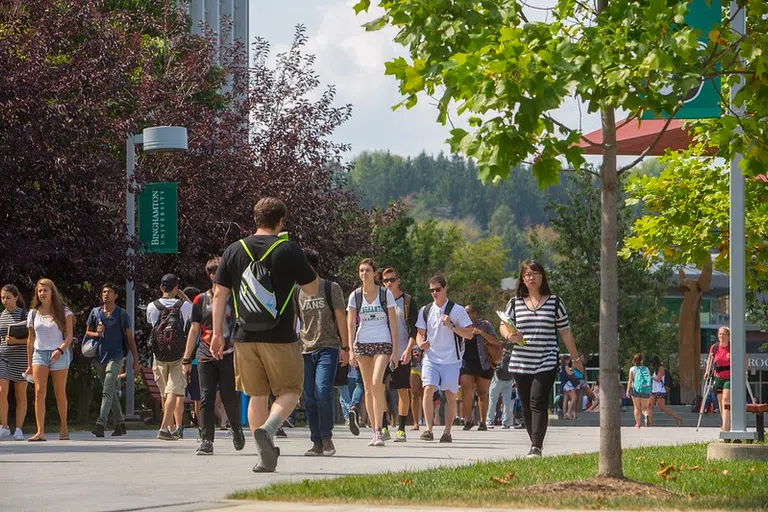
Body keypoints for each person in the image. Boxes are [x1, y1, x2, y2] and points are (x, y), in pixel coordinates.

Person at [212, 197, 318, 473]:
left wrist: (216, 335)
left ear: (255, 219)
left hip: (243, 336)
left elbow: (219, 294)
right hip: (280, 335)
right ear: (280, 221)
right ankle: (270, 428)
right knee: (291, 390)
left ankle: (263, 456)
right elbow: (312, 289)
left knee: (256, 394)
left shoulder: (234, 250)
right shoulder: (288, 249)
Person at [500, 261, 582, 458]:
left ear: (542, 276)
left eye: (535, 274)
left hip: (545, 359)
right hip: (520, 362)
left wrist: (575, 357)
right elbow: (503, 325)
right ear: (522, 279)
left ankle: (536, 446)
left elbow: (565, 332)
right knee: (526, 404)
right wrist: (510, 336)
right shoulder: (514, 303)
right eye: (527, 274)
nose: (531, 277)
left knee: (538, 400)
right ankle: (534, 441)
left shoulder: (555, 302)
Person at [182, 258, 245, 455]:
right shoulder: (200, 300)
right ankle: (206, 440)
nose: (217, 275)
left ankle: (236, 429)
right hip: (205, 353)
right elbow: (194, 329)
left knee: (229, 396)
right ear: (209, 275)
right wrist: (186, 358)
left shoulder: (236, 298)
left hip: (228, 353)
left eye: (221, 271)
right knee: (206, 396)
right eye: (214, 272)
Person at [296, 249, 349, 456]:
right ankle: (316, 441)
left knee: (322, 391)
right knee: (309, 397)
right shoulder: (296, 291)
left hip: (328, 347)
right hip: (305, 350)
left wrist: (345, 348)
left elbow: (341, 318)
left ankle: (327, 439)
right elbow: (295, 320)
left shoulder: (330, 288)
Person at [415, 275, 474, 443]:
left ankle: (447, 431)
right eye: (431, 290)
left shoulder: (457, 310)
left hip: (452, 359)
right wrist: (421, 343)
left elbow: (469, 333)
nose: (434, 293)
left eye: (437, 290)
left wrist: (452, 326)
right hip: (431, 357)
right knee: (428, 389)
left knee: (450, 393)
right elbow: (419, 333)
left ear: (445, 289)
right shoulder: (426, 310)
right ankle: (428, 429)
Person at [346, 258, 398, 447]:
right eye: (361, 270)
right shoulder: (355, 296)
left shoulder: (385, 294)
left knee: (377, 383)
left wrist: (395, 350)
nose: (363, 274)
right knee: (368, 388)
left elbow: (393, 323)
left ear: (375, 274)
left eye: (367, 270)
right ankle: (375, 430)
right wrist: (350, 349)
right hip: (362, 343)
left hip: (383, 342)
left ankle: (380, 427)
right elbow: (350, 323)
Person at [84, 283, 140, 437]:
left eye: (109, 291)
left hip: (116, 357)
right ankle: (120, 424)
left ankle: (100, 424)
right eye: (103, 292)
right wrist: (97, 333)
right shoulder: (95, 313)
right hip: (99, 357)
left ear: (116, 295)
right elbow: (87, 332)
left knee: (107, 390)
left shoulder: (122, 314)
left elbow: (130, 338)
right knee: (110, 392)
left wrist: (135, 360)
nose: (106, 294)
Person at [25, 278, 74, 441]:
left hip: (59, 352)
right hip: (39, 353)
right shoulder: (33, 313)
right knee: (39, 392)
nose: (42, 293)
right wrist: (29, 364)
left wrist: (60, 350)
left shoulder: (63, 311)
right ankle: (40, 431)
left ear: (52, 292)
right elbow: (30, 339)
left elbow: (69, 336)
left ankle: (64, 427)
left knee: (59, 392)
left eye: (45, 290)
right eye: (39, 291)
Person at [146, 274, 193, 440]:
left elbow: (152, 327)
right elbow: (194, 317)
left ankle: (170, 428)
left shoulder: (152, 306)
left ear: (161, 288)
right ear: (176, 288)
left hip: (159, 356)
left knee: (166, 393)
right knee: (173, 392)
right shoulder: (185, 307)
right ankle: (164, 428)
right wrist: (183, 297)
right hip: (178, 355)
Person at [381, 267, 418, 442]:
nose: (389, 283)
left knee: (403, 390)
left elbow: (414, 329)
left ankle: (402, 428)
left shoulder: (408, 301)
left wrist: (409, 350)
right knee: (378, 388)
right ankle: (383, 426)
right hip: (382, 350)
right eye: (385, 280)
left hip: (402, 350)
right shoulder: (379, 300)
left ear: (398, 280)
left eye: (392, 280)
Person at [460, 305, 500, 431]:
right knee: (466, 392)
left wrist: (481, 333)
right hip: (466, 364)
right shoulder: (460, 326)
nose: (468, 314)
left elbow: (495, 341)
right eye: (466, 312)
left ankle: (483, 422)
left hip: (484, 364)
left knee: (482, 393)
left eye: (471, 312)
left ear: (475, 313)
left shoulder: (485, 325)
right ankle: (468, 420)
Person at [0, 285, 29, 440]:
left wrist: (16, 341)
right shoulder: (1, 316)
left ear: (16, 298)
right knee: (1, 391)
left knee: (20, 395)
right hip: (3, 358)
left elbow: (32, 339)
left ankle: (18, 429)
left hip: (21, 359)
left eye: (8, 297)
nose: (5, 301)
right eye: (2, 298)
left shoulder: (25, 316)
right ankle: (3, 426)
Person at [704, 327, 740, 432]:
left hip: (729, 377)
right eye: (720, 334)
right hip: (718, 377)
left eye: (724, 334)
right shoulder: (714, 347)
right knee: (720, 403)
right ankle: (726, 422)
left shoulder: (732, 347)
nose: (721, 336)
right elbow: (710, 360)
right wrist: (707, 371)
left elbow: (743, 357)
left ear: (728, 336)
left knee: (726, 399)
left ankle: (725, 426)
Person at [647, 355, 682, 426]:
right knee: (650, 406)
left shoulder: (661, 368)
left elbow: (658, 379)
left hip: (660, 391)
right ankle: (650, 423)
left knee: (662, 408)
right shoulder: (655, 369)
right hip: (654, 390)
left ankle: (678, 418)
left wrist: (650, 376)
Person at [486, 349, 514, 429]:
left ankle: (489, 421)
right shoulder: (510, 354)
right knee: (507, 402)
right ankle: (505, 423)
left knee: (492, 400)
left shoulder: (498, 353)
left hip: (498, 379)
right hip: (509, 379)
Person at [626, 353, 652, 428]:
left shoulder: (632, 369)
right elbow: (648, 380)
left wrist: (627, 391)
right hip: (645, 390)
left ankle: (638, 424)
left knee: (637, 407)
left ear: (634, 360)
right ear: (642, 360)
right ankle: (646, 415)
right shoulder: (646, 369)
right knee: (645, 408)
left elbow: (630, 381)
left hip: (635, 390)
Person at [339, 365, 364, 434]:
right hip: (357, 373)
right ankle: (355, 415)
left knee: (345, 398)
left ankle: (349, 416)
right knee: (351, 397)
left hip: (348, 375)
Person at [559, 355, 578, 420]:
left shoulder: (561, 367)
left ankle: (564, 415)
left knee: (565, 399)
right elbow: (569, 373)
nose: (569, 361)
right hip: (567, 383)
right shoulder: (566, 366)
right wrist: (573, 370)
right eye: (569, 360)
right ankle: (568, 413)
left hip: (563, 384)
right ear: (566, 360)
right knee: (574, 397)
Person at [409, 346, 424, 430]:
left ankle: (427, 420)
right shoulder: (411, 337)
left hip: (426, 365)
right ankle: (415, 422)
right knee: (414, 394)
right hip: (413, 367)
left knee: (426, 394)